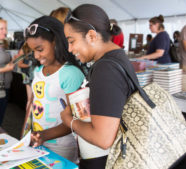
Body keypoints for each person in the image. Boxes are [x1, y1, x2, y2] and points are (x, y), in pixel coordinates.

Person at [62, 4, 138, 169]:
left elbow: (102, 139)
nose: (70, 49)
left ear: (91, 36)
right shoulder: (115, 58)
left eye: (71, 41)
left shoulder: (106, 69)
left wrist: (70, 120)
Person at [24, 16, 85, 162]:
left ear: (56, 42)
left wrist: (44, 135)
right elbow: (32, 107)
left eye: (40, 49)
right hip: (37, 141)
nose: (36, 55)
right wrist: (25, 135)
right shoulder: (38, 71)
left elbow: (77, 120)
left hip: (62, 146)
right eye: (33, 51)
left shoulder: (71, 74)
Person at [15, 42, 37, 111]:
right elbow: (19, 64)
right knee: (30, 100)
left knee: (37, 99)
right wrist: (30, 65)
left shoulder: (37, 47)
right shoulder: (23, 49)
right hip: (28, 77)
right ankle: (29, 119)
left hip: (38, 77)